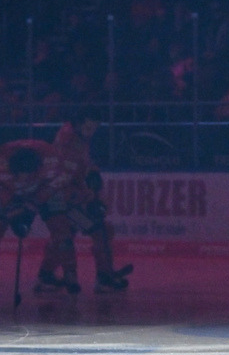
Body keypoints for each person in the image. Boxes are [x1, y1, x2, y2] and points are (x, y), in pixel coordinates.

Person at [50, 110, 131, 293]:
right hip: (65, 201)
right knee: (100, 230)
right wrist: (87, 195)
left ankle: (46, 274)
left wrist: (91, 178)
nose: (92, 131)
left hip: (63, 199)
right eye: (89, 127)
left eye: (94, 127)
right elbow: (68, 175)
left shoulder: (74, 136)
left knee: (66, 234)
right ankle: (103, 277)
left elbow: (82, 167)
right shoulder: (69, 142)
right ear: (79, 123)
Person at [0, 140, 80, 292]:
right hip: (7, 191)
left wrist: (37, 200)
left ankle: (69, 273)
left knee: (62, 229)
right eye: (20, 176)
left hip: (45, 187)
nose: (24, 180)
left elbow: (64, 179)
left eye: (28, 176)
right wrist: (13, 212)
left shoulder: (54, 161)